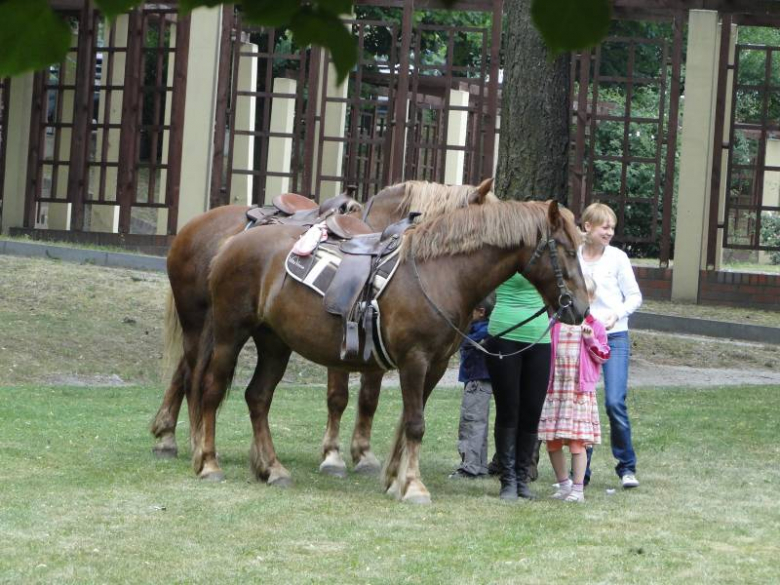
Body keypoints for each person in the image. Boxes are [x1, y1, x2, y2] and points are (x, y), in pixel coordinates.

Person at [579, 202, 643, 489]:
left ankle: (626, 467)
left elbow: (634, 297)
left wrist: (616, 315)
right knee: (584, 403)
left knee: (614, 401)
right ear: (587, 227)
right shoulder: (575, 257)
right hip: (583, 337)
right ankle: (582, 472)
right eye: (604, 226)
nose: (609, 231)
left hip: (614, 336)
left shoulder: (617, 258)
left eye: (612, 227)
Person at [538, 275, 610, 503]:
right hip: (556, 390)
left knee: (577, 442)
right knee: (553, 440)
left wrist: (591, 341)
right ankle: (563, 483)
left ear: (592, 298)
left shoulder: (595, 326)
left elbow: (604, 356)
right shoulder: (555, 324)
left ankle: (578, 488)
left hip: (578, 392)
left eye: (584, 295)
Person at [485, 274, 551, 501]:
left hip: (540, 337)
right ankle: (508, 480)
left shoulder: (546, 254)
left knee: (532, 410)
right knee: (508, 409)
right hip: (504, 333)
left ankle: (522, 477)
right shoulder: (505, 247)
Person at [449, 294, 495, 480]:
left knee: (471, 422)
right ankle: (479, 465)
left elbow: (457, 340)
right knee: (478, 422)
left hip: (477, 381)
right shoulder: (482, 328)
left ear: (481, 312)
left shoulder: (479, 331)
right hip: (477, 380)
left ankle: (470, 467)